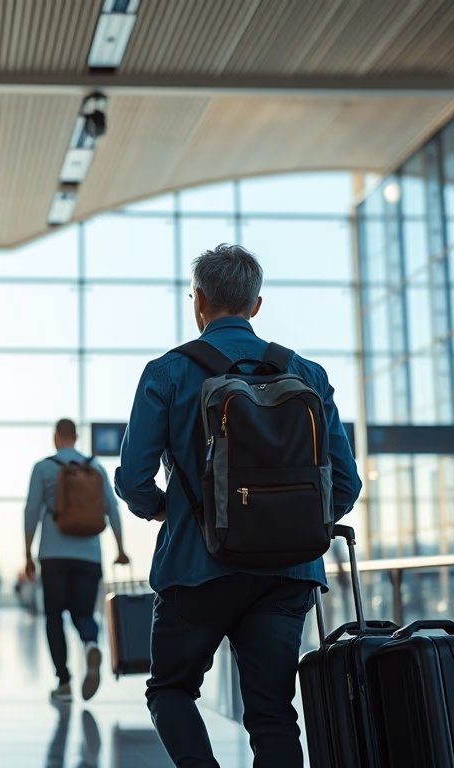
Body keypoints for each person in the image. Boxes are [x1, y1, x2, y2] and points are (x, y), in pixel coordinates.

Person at [115, 244, 361, 767]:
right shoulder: (306, 374)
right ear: (256, 305)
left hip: (195, 566)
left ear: (198, 301)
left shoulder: (167, 373)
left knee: (171, 691)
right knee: (272, 713)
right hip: (288, 572)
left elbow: (133, 478)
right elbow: (346, 483)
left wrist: (167, 510)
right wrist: (292, 524)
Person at [24, 418, 130, 703]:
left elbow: (31, 511)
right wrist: (120, 548)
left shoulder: (43, 468)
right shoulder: (94, 468)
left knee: (54, 617)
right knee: (83, 613)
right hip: (89, 555)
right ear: (77, 436)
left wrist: (27, 553)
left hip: (53, 554)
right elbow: (113, 509)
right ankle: (91, 643)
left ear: (56, 437)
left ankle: (64, 682)